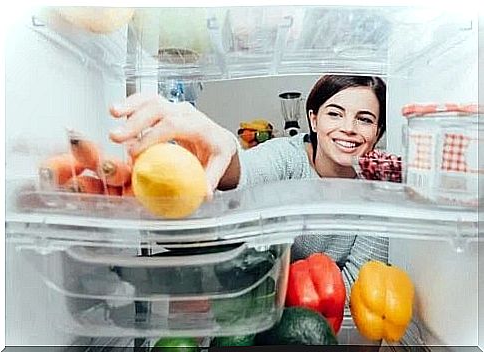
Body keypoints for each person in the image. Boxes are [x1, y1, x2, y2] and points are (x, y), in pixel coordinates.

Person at [108, 74, 389, 298]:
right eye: (335, 114)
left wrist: (278, 289)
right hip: (260, 304)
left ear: (377, 133)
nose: (349, 128)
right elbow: (244, 174)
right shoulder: (288, 155)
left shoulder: (378, 191)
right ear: (314, 120)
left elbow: (361, 285)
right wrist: (225, 151)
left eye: (364, 119)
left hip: (317, 315)